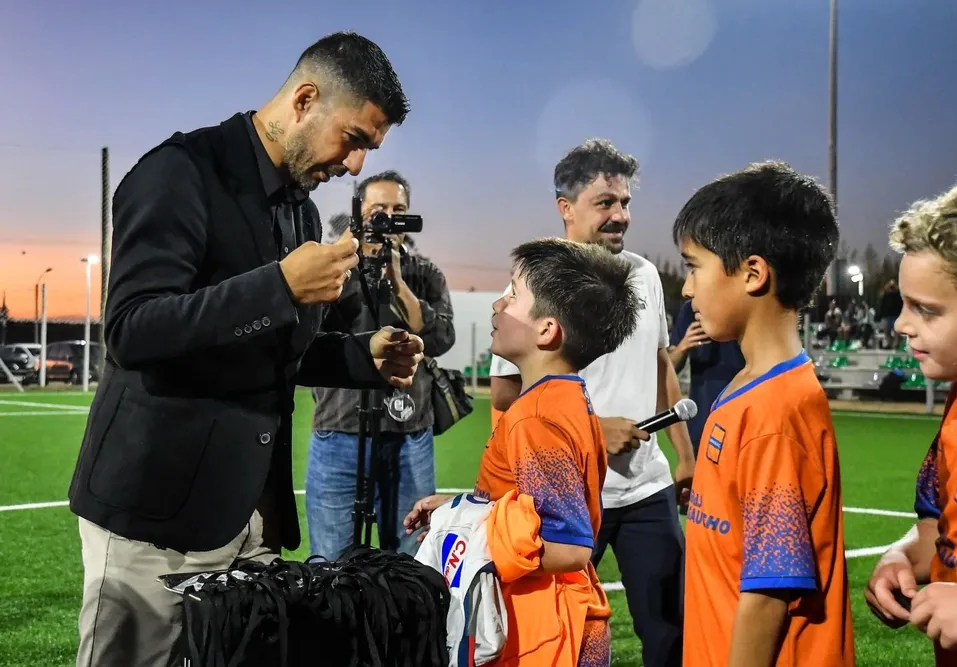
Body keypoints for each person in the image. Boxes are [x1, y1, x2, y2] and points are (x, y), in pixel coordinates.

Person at [67, 32, 423, 667]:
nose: (355, 166)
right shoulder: (180, 172)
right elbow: (131, 329)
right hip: (154, 517)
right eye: (355, 140)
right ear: (305, 99)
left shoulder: (302, 214)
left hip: (247, 519)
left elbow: (273, 354)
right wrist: (279, 286)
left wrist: (360, 356)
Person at [490, 138, 695, 667]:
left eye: (625, 203)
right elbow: (505, 393)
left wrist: (685, 455)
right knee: (551, 630)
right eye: (605, 202)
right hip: (570, 494)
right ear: (567, 207)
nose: (619, 215)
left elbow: (659, 366)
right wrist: (591, 429)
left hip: (644, 488)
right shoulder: (535, 281)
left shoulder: (645, 275)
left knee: (670, 633)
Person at [405, 236, 643, 667]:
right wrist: (462, 507)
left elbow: (567, 546)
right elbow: (531, 500)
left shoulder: (538, 416)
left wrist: (474, 534)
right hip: (555, 620)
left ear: (547, 330)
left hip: (547, 630)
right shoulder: (562, 397)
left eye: (513, 293)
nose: (498, 305)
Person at [674, 161, 854, 667]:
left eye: (693, 267)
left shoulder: (775, 413)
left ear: (753, 273)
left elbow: (767, 596)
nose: (687, 290)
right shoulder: (749, 381)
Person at [864, 154, 957, 665]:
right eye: (904, 303)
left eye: (927, 309)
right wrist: (901, 557)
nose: (902, 324)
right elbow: (937, 532)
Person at [306, 170, 455, 560]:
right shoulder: (334, 267)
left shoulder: (425, 274)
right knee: (332, 562)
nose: (388, 219)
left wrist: (398, 281)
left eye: (398, 210)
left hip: (409, 434)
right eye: (379, 211)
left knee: (409, 555)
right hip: (340, 431)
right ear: (358, 216)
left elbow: (441, 338)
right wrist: (344, 260)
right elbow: (308, 332)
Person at [668, 299, 744, 454]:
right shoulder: (690, 310)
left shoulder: (745, 306)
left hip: (743, 423)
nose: (686, 290)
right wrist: (683, 346)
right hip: (702, 425)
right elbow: (670, 368)